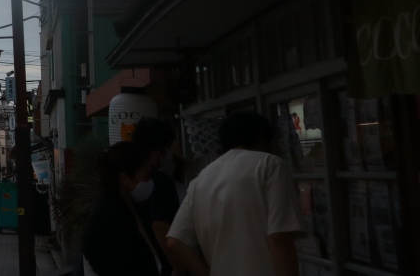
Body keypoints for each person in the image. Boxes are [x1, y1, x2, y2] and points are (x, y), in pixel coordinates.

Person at [166, 110, 304, 276]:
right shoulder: (270, 164)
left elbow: (175, 242)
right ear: (262, 138)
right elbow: (279, 238)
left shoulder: (200, 180)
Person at [81, 140, 165, 276]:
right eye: (146, 176)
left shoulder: (131, 206)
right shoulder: (106, 221)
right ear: (124, 178)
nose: (149, 182)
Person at [132, 117, 183, 275]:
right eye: (166, 147)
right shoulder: (159, 180)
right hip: (163, 266)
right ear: (158, 148)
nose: (167, 153)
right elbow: (160, 225)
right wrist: (178, 266)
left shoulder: (130, 179)